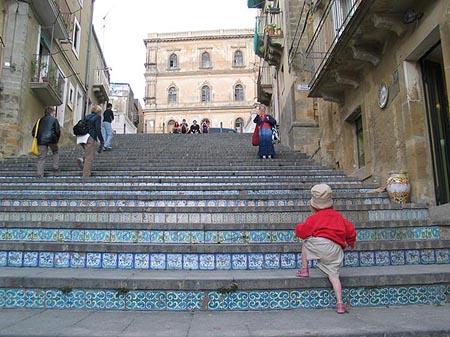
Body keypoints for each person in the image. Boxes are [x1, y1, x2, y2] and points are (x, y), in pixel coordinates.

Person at [294, 183, 356, 314]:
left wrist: (298, 229)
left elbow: (302, 231)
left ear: (313, 206)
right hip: (336, 249)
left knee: (305, 243)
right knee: (334, 276)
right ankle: (340, 303)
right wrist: (351, 242)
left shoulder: (314, 218)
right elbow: (350, 230)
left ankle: (304, 269)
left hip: (319, 245)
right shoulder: (338, 217)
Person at [76, 105, 104, 179]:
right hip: (89, 137)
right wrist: (101, 140)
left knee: (87, 153)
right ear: (99, 112)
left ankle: (82, 159)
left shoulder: (87, 116)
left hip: (81, 137)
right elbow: (98, 129)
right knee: (89, 157)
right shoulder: (98, 117)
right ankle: (86, 175)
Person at [32, 106, 61, 178]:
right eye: (54, 112)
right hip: (52, 139)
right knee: (55, 152)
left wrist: (38, 138)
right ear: (51, 112)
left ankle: (39, 173)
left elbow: (33, 132)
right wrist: (56, 139)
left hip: (41, 140)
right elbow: (57, 131)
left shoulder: (39, 120)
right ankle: (55, 167)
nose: (54, 113)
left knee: (41, 157)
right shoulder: (54, 120)